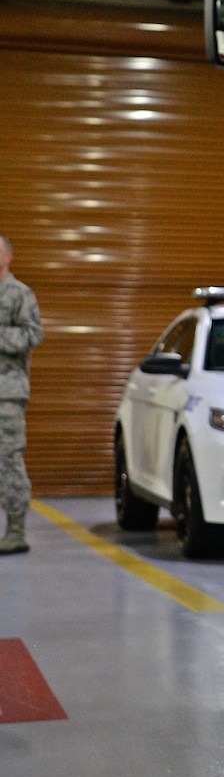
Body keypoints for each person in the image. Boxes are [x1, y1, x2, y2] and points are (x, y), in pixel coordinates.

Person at [0, 236, 43, 557]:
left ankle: (16, 532)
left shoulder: (19, 294)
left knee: (8, 460)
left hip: (6, 394)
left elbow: (32, 334)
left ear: (9, 256)